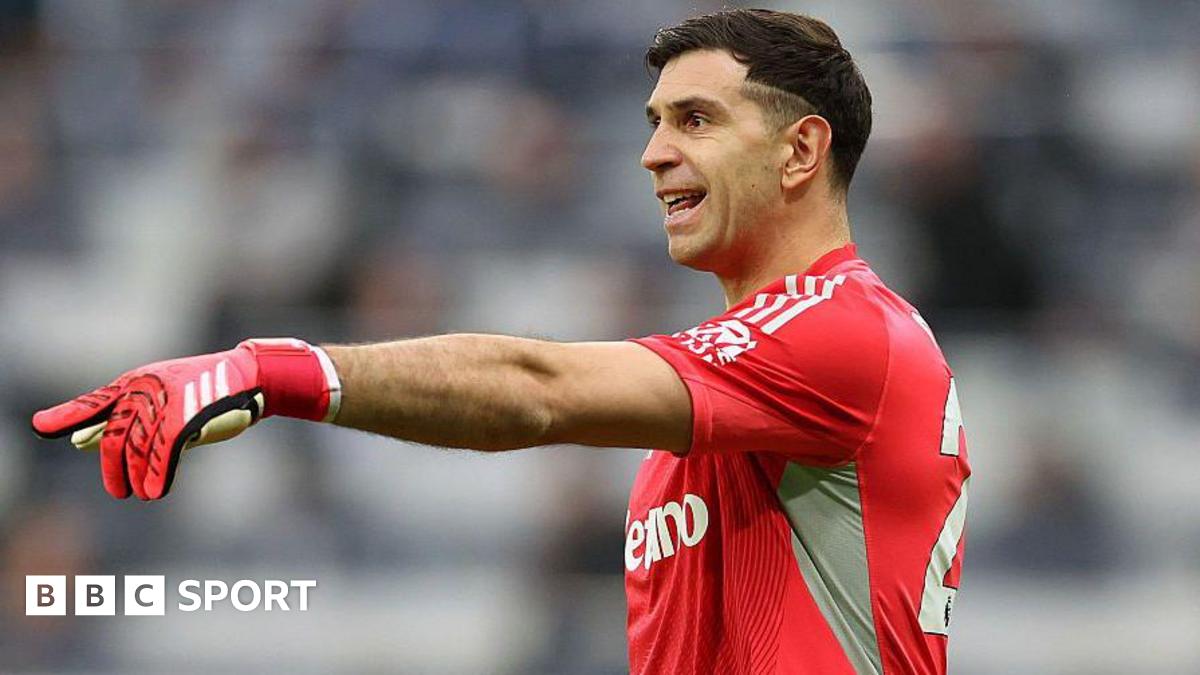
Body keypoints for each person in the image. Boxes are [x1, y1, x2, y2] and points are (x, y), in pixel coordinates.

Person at [32, 9, 971, 675]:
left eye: (696, 120)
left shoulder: (838, 329)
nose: (653, 153)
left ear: (801, 150)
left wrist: (273, 370)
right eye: (654, 123)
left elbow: (537, 388)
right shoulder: (755, 371)